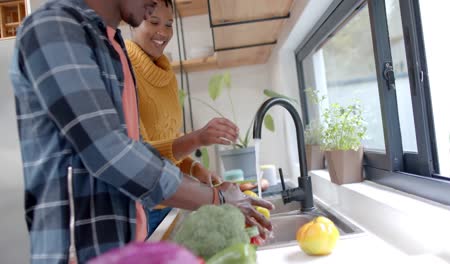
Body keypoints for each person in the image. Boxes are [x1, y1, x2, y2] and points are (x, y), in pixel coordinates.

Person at [9, 0, 272, 263]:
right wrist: (217, 197)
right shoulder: (55, 27)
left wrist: (206, 185)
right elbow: (109, 151)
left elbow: (133, 148)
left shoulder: (112, 45)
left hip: (124, 248)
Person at [125, 0, 238, 233]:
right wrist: (197, 139)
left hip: (170, 201)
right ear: (132, 21)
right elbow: (138, 154)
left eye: (169, 24)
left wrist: (194, 168)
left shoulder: (166, 73)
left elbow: (168, 137)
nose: (163, 32)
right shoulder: (124, 68)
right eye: (154, 22)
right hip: (141, 209)